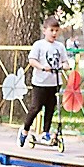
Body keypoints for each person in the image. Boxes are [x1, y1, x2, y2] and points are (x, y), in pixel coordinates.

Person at [21, 19, 69, 147]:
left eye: (56, 31)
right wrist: (42, 67)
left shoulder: (60, 46)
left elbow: (65, 61)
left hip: (54, 83)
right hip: (40, 83)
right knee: (36, 107)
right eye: (51, 30)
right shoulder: (39, 45)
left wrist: (65, 66)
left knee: (50, 108)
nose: (54, 33)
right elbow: (32, 60)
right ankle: (25, 130)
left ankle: (45, 132)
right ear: (44, 31)